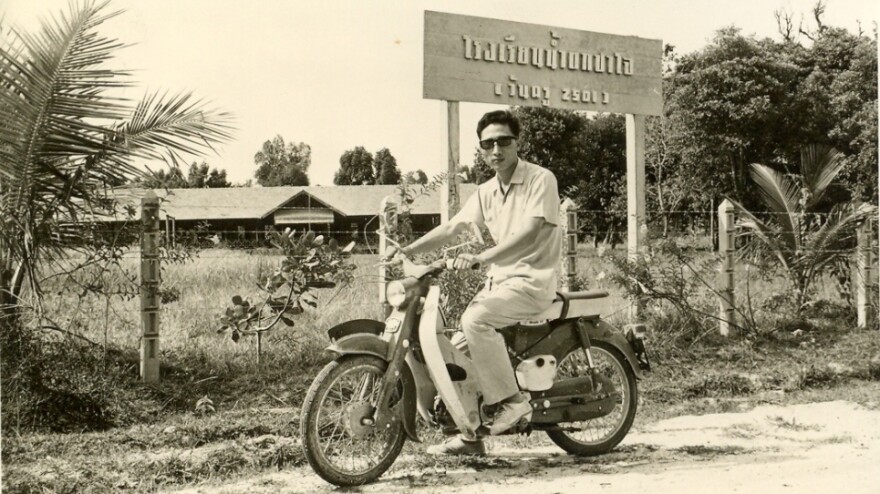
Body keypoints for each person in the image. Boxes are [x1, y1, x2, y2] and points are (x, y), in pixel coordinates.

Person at [385, 110, 562, 456]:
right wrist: (410, 249)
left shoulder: (541, 179)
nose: (496, 149)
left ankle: (512, 402)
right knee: (457, 353)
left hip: (532, 280)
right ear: (481, 150)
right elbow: (454, 228)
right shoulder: (485, 191)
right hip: (500, 283)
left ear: (517, 142)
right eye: (488, 144)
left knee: (475, 320)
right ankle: (471, 437)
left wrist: (482, 258)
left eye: (504, 141)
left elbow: (530, 234)